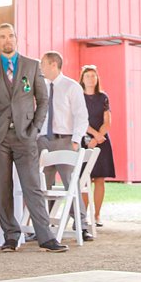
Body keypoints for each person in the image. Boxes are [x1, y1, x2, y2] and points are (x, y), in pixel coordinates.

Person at [0, 24, 66, 252]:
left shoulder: (32, 66)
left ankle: (46, 237)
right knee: (3, 188)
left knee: (32, 186)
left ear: (17, 38)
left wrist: (34, 129)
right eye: (2, 36)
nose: (7, 40)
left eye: (11, 36)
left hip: (25, 136)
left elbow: (43, 100)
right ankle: (10, 237)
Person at [38, 52, 89, 234]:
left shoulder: (71, 86)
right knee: (43, 184)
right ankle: (43, 225)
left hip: (64, 140)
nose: (40, 67)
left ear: (53, 64)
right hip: (43, 141)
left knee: (70, 182)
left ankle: (81, 224)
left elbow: (81, 115)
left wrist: (76, 140)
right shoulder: (41, 87)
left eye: (43, 64)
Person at [80, 66, 116, 227]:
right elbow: (79, 119)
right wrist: (93, 136)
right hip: (85, 139)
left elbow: (107, 120)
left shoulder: (103, 97)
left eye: (93, 76)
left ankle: (97, 215)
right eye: (87, 76)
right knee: (84, 179)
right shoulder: (79, 97)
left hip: (101, 141)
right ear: (82, 79)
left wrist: (99, 136)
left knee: (100, 179)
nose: (90, 79)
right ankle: (83, 216)